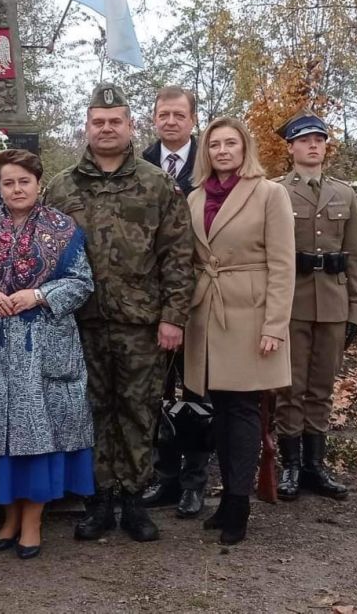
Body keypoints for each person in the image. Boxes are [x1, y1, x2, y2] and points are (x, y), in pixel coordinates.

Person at [44, 82, 196, 543]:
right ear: (86, 128)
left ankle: (132, 498)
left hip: (141, 322)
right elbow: (45, 255)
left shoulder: (156, 184)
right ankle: (97, 500)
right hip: (78, 322)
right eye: (98, 122)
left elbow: (177, 255)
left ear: (131, 127)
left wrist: (174, 316)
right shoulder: (62, 186)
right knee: (89, 411)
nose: (106, 129)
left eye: (115, 122)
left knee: (138, 411)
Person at [0, 149, 96, 560]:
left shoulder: (62, 229)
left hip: (44, 346)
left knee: (39, 431)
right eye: (8, 182)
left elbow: (81, 282)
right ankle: (9, 517)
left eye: (24, 182)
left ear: (39, 184)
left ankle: (33, 522)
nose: (17, 189)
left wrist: (39, 294)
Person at [183, 117, 295, 545]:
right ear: (206, 153)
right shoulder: (195, 198)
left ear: (245, 148)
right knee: (221, 411)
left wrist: (275, 326)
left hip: (250, 314)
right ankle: (228, 499)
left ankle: (239, 505)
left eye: (231, 143)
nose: (223, 151)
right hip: (208, 313)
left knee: (245, 410)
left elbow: (284, 265)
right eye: (214, 145)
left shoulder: (270, 194)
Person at [273, 110, 357, 501]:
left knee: (322, 387)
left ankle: (315, 465)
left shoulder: (344, 194)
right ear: (291, 147)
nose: (313, 145)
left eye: (319, 139)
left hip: (333, 302)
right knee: (290, 387)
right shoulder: (275, 191)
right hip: (291, 301)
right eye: (305, 139)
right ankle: (291, 465)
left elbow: (355, 255)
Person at [140, 86, 212, 519]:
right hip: (151, 298)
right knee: (158, 394)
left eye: (178, 114)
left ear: (192, 119)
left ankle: (195, 483)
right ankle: (164, 477)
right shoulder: (140, 162)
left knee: (198, 393)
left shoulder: (211, 162)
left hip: (201, 296)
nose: (170, 121)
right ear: (154, 119)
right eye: (163, 114)